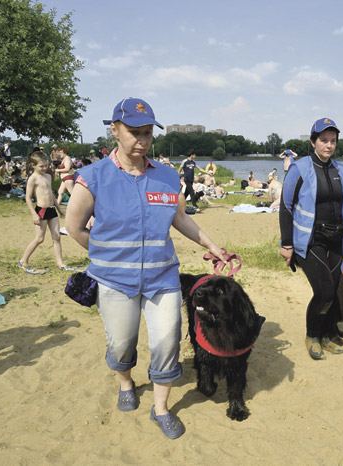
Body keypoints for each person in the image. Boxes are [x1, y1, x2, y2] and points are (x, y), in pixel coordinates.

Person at [65, 97, 228, 439]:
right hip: (114, 281)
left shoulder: (168, 177)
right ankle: (126, 382)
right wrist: (105, 261)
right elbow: (76, 227)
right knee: (122, 343)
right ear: (115, 130)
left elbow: (180, 219)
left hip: (162, 278)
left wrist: (211, 246)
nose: (141, 139)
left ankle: (161, 408)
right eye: (133, 132)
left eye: (147, 133)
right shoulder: (92, 177)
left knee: (167, 340)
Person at [279, 117, 343, 360]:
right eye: (324, 140)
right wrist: (287, 244)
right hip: (310, 241)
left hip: (337, 238)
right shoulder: (300, 169)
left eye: (333, 141)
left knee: (336, 289)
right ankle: (312, 336)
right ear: (313, 142)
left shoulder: (340, 170)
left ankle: (327, 334)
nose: (329, 145)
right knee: (324, 291)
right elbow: (286, 207)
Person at [18, 151, 77, 274]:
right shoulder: (33, 179)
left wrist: (60, 209)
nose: (44, 168)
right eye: (41, 166)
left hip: (52, 210)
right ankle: (23, 260)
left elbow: (51, 194)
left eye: (46, 165)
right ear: (33, 165)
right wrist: (34, 214)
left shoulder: (48, 177)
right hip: (41, 211)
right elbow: (28, 198)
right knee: (39, 239)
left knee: (57, 237)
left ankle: (60, 263)